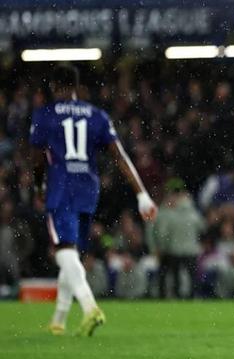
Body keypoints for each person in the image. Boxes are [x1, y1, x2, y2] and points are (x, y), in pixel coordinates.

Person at [30, 64, 158, 336]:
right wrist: (142, 194)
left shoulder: (45, 115)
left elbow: (38, 159)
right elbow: (119, 156)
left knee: (64, 251)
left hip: (61, 187)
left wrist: (38, 187)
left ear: (54, 86)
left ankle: (90, 307)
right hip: (88, 189)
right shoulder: (97, 115)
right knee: (72, 254)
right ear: (76, 86)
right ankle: (59, 320)